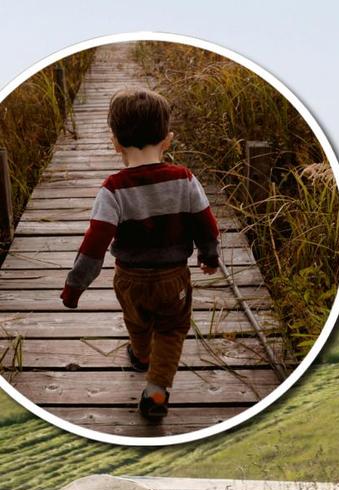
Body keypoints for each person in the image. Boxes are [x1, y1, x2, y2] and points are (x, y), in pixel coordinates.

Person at [60, 87, 220, 421]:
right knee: (171, 330)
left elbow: (94, 243)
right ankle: (157, 391)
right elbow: (206, 224)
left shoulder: (112, 188)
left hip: (129, 278)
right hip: (173, 278)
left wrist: (75, 286)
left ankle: (142, 354)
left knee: (136, 319)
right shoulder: (184, 179)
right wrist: (209, 255)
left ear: (115, 142)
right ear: (168, 139)